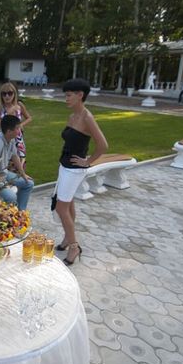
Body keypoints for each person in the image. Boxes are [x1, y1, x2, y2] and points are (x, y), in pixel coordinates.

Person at [55, 78, 108, 266]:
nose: (66, 99)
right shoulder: (72, 117)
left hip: (75, 170)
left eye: (69, 95)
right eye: (66, 95)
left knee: (61, 208)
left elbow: (103, 145)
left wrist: (88, 161)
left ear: (80, 95)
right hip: (65, 165)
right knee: (68, 205)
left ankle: (74, 246)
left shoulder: (87, 118)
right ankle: (68, 238)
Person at [0, 114, 34, 210]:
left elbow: (15, 156)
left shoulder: (10, 139)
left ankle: (21, 212)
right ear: (9, 131)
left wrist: (23, 174)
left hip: (3, 173)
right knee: (11, 197)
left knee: (29, 183)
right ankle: (10, 218)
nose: (20, 131)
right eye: (17, 128)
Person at [0, 83, 32, 167]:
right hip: (4, 140)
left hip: (18, 139)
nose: (7, 96)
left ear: (14, 94)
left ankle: (21, 176)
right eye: (4, 94)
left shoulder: (19, 105)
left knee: (20, 165)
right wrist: (8, 113)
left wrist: (21, 124)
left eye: (10, 93)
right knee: (5, 166)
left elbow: (29, 118)